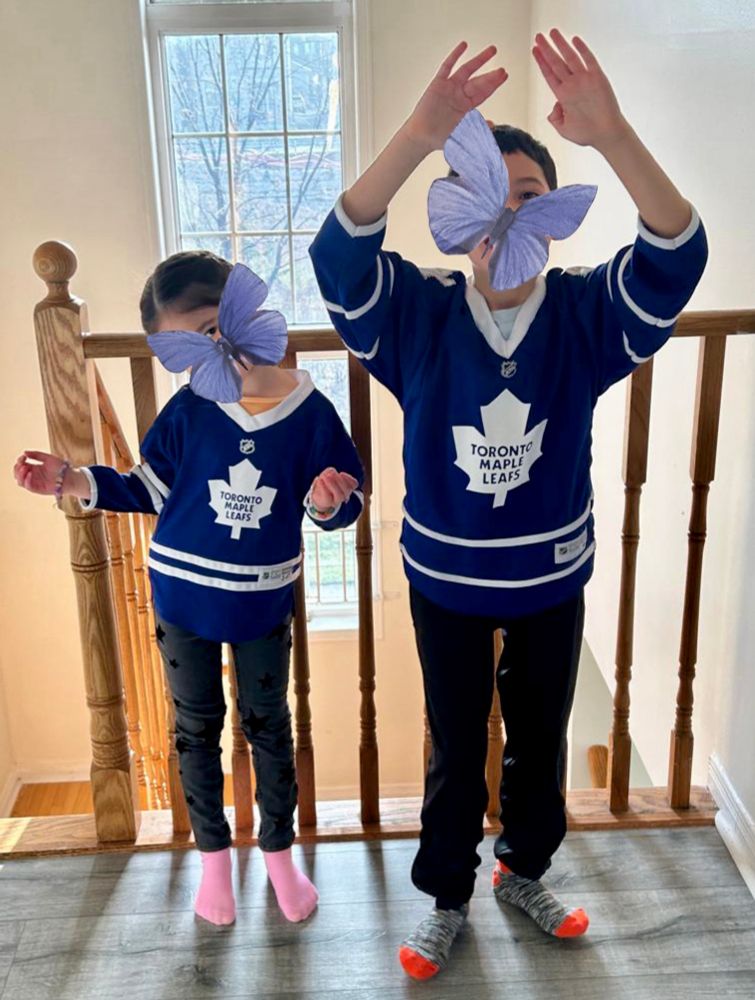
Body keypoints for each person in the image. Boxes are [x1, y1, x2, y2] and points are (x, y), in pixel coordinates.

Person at [309, 29, 707, 978]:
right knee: (456, 743)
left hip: (550, 578)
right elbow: (337, 262)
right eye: (485, 195)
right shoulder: (418, 314)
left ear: (557, 214)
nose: (505, 216)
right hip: (442, 578)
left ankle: (522, 870)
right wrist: (417, 135)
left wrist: (612, 136)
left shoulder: (582, 313)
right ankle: (445, 894)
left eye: (526, 196)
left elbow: (673, 259)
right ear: (454, 210)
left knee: (538, 736)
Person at [14, 250, 364, 927]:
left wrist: (327, 504)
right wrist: (73, 480)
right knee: (196, 732)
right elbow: (149, 487)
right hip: (181, 595)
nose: (213, 348)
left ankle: (278, 856)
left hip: (263, 598)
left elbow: (341, 501)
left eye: (214, 325)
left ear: (242, 311)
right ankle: (212, 862)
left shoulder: (310, 408)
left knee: (270, 728)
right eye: (188, 342)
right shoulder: (186, 412)